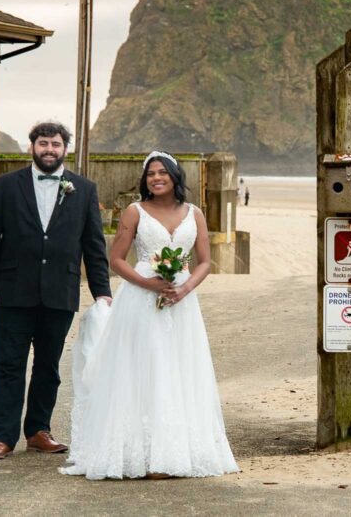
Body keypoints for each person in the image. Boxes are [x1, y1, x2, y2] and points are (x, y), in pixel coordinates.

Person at [61, 151, 238, 480]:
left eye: (163, 173)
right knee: (144, 368)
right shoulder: (135, 212)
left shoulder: (194, 214)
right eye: (151, 174)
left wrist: (184, 290)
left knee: (178, 370)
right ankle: (139, 456)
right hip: (141, 300)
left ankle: (172, 454)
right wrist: (149, 284)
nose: (156, 178)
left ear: (174, 177)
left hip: (181, 302)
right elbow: (117, 259)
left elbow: (204, 262)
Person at [0, 121, 112, 461]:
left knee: (48, 366)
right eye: (43, 143)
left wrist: (102, 292)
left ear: (65, 149)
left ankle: (38, 430)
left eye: (55, 144)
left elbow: (93, 246)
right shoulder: (6, 186)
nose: (49, 149)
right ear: (31, 147)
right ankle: (2, 437)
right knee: (9, 365)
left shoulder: (84, 189)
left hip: (60, 292)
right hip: (13, 291)